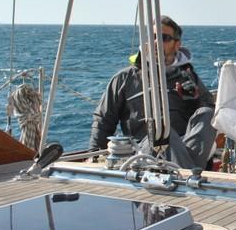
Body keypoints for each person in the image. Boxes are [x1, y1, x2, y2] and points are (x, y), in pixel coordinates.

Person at [89, 15, 217, 169]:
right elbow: (104, 120)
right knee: (163, 131)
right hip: (143, 151)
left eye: (164, 38)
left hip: (184, 145)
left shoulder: (189, 77)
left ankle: (183, 169)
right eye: (153, 37)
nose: (156, 42)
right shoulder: (125, 78)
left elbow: (209, 115)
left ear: (177, 45)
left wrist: (193, 100)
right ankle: (189, 174)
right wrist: (94, 155)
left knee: (207, 113)